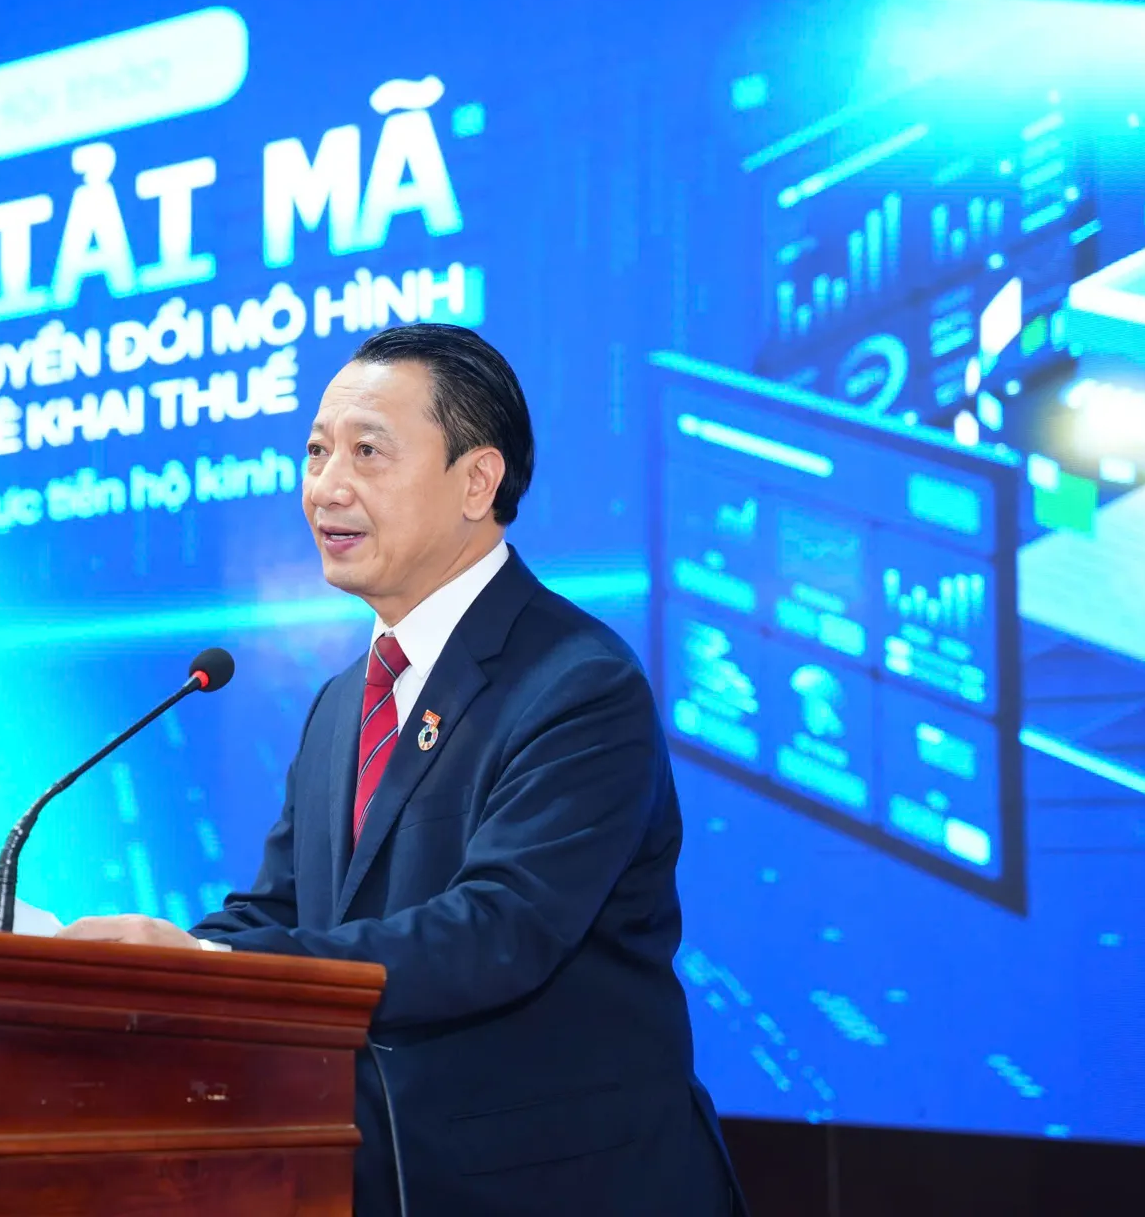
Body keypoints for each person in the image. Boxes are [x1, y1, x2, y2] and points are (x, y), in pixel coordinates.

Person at [58, 324, 745, 1216]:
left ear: (477, 482)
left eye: (367, 452)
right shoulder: (345, 699)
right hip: (378, 1179)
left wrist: (206, 961)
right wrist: (136, 968)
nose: (325, 487)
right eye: (316, 452)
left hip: (562, 1188)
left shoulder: (578, 683)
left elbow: (494, 933)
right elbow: (281, 912)